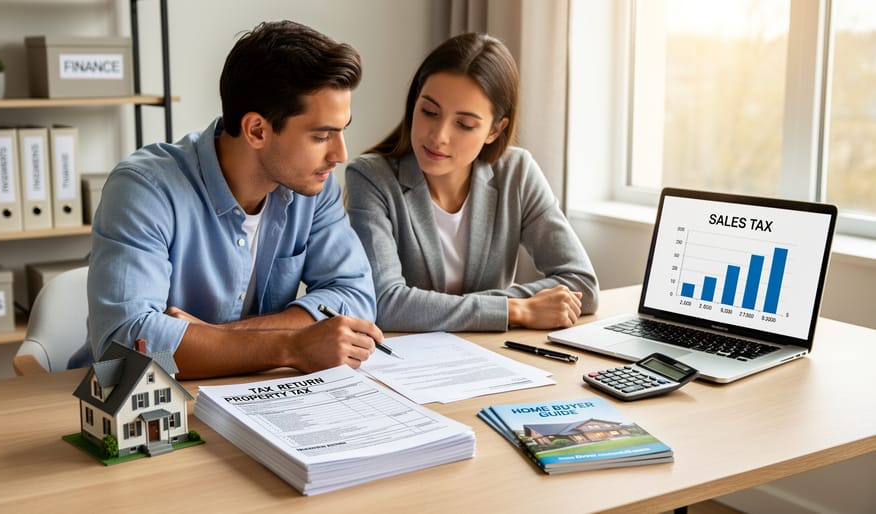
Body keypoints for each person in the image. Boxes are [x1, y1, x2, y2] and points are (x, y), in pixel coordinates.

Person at [68, 20, 383, 379]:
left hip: (254, 394)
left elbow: (354, 297)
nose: (340, 154)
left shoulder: (313, 186)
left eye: (342, 131)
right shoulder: (144, 189)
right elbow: (125, 348)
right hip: (131, 404)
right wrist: (291, 346)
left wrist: (214, 338)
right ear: (257, 130)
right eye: (322, 135)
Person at [345, 32, 600, 332]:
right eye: (429, 111)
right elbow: (385, 302)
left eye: (464, 124)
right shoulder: (372, 178)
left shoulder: (517, 172)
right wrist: (513, 309)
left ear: (495, 130)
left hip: (492, 355)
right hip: (405, 365)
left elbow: (581, 285)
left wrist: (440, 309)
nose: (439, 135)